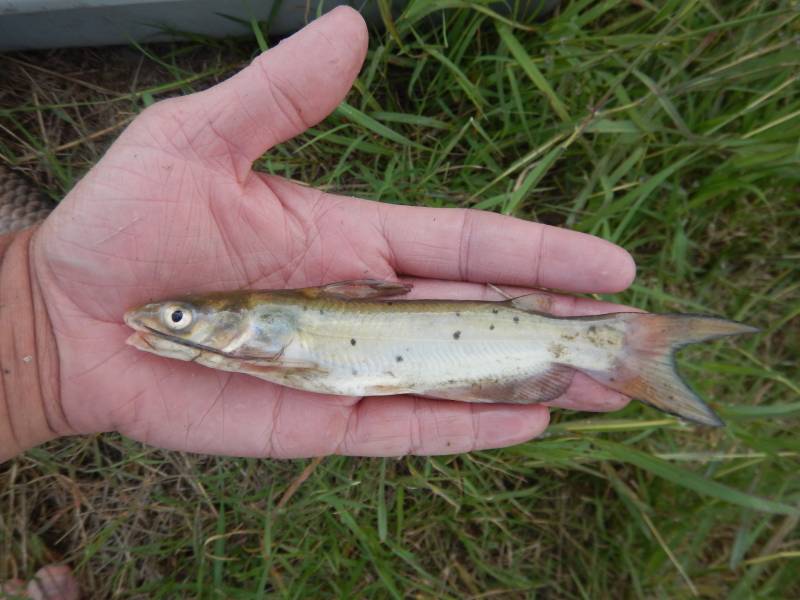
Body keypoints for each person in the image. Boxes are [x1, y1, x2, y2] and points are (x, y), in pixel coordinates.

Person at [1, 7, 638, 596]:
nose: (165, 324)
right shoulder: (255, 339)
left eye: (178, 318)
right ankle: (613, 346)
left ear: (245, 320)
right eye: (179, 317)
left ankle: (620, 345)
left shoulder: (264, 339)